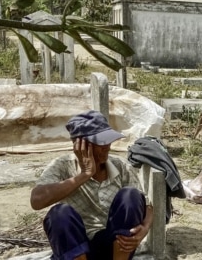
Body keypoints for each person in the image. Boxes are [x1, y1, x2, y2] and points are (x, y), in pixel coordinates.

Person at [30, 111, 154, 260]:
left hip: (114, 246)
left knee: (131, 194)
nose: (107, 147)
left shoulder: (120, 165)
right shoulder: (62, 166)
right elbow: (36, 201)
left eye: (108, 141)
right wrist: (84, 174)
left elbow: (147, 204)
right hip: (77, 247)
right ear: (80, 145)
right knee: (58, 213)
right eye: (100, 143)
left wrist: (145, 228)